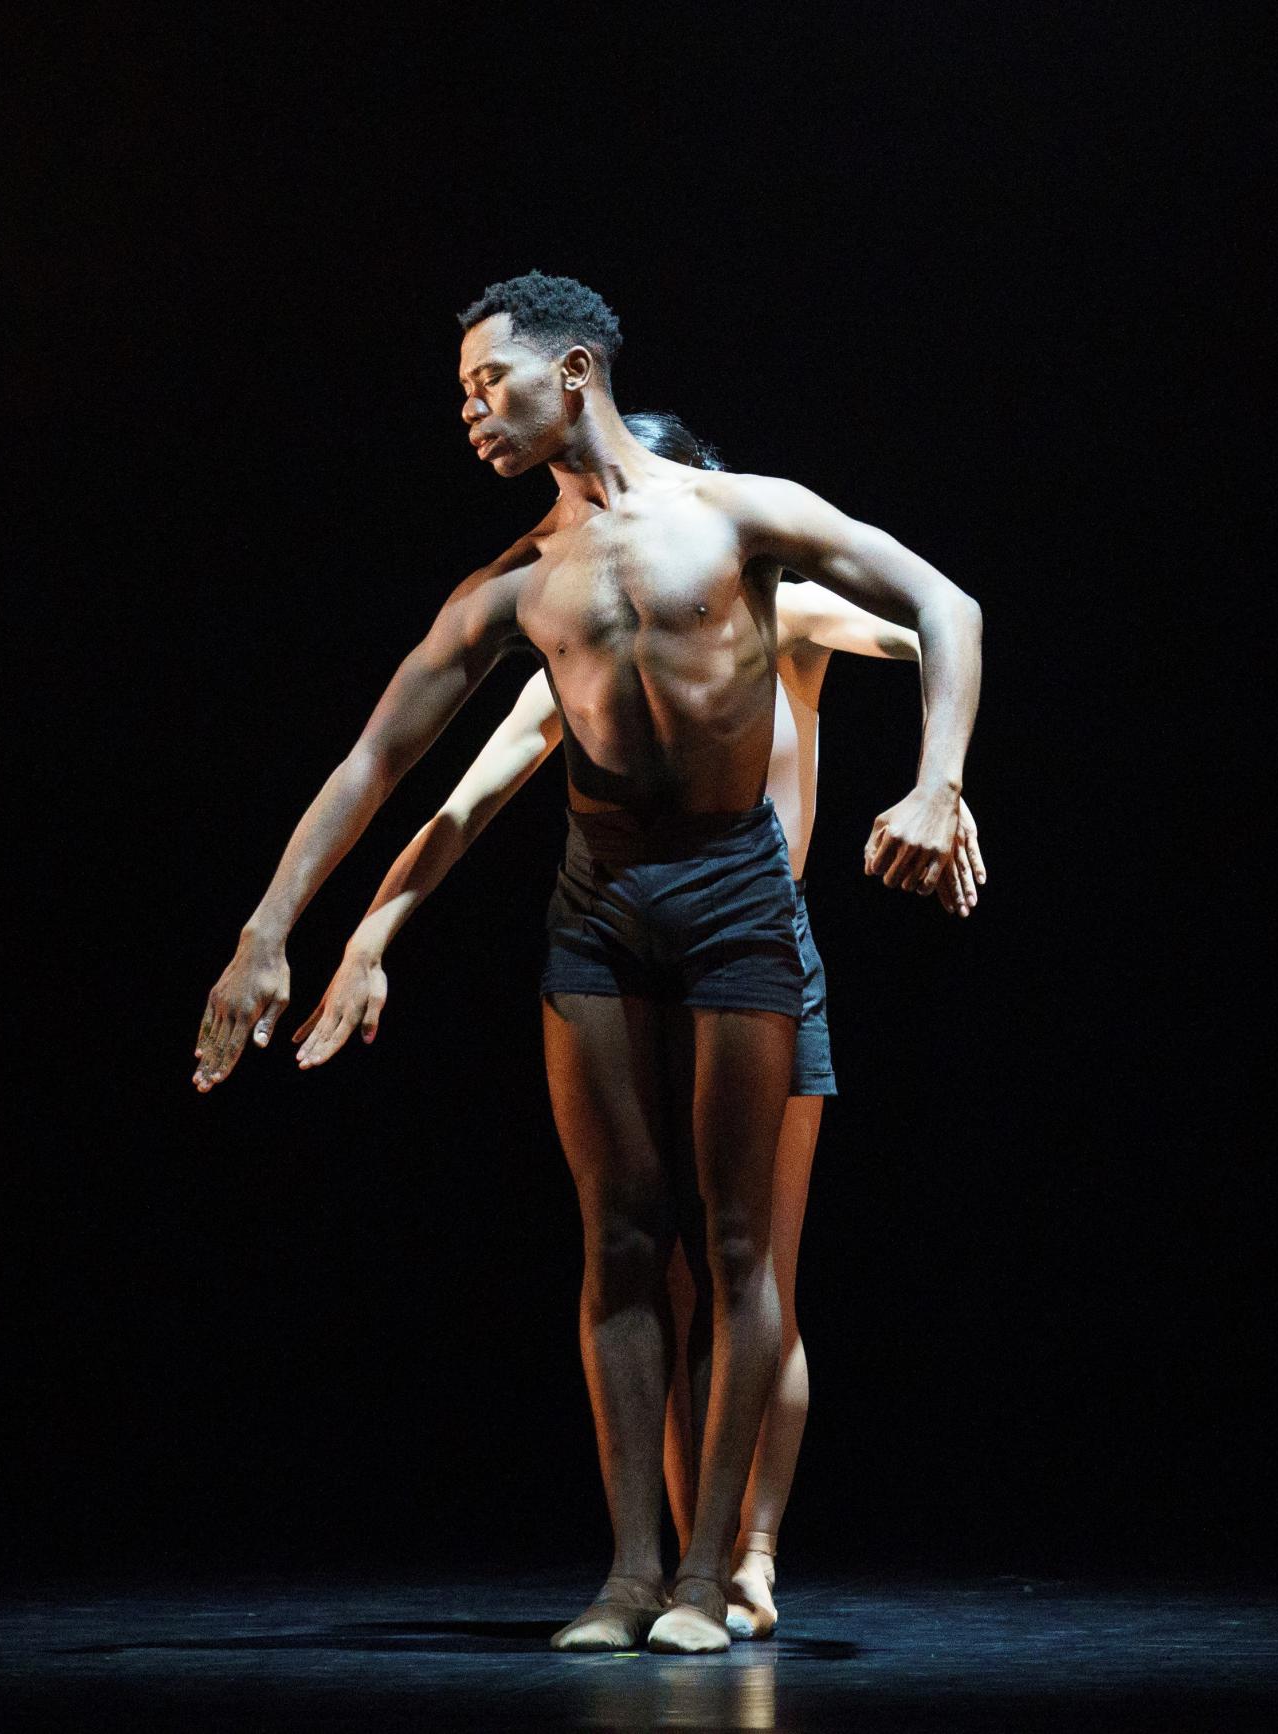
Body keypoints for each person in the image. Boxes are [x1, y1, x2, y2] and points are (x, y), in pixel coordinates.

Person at [193, 273, 983, 1653]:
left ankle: (714, 1574)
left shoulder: (740, 521)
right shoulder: (517, 582)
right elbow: (385, 762)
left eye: (482, 383)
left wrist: (940, 781)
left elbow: (946, 607)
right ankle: (628, 1572)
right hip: (600, 902)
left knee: (738, 1245)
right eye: (458, 394)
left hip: (738, 891)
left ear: (572, 372)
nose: (468, 412)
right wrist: (275, 929)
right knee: (621, 1237)